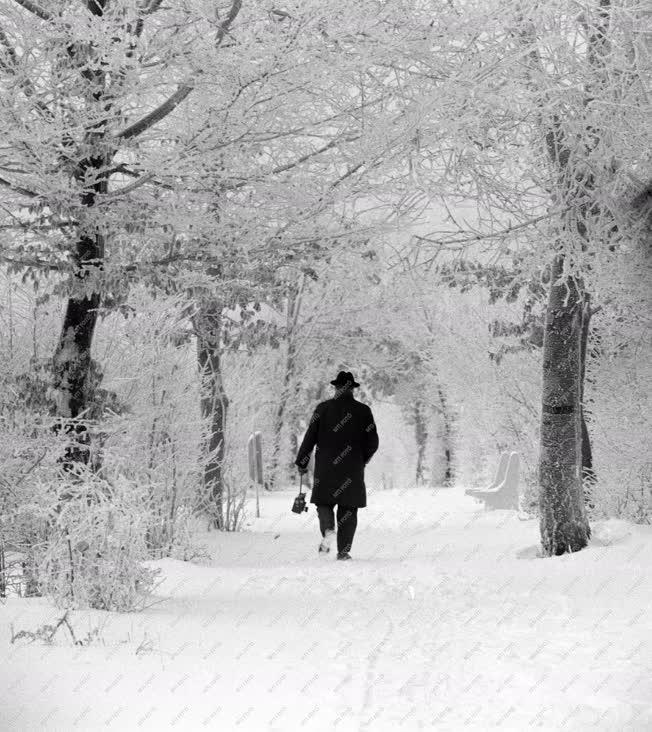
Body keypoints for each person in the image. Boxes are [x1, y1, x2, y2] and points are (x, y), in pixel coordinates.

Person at [295, 371, 379, 560]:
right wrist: (361, 459)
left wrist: (302, 462)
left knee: (324, 503)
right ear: (352, 389)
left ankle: (328, 531)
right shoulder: (363, 411)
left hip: (325, 468)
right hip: (352, 469)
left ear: (336, 388)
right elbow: (373, 442)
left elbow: (310, 438)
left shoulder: (322, 409)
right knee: (348, 509)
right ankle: (343, 551)